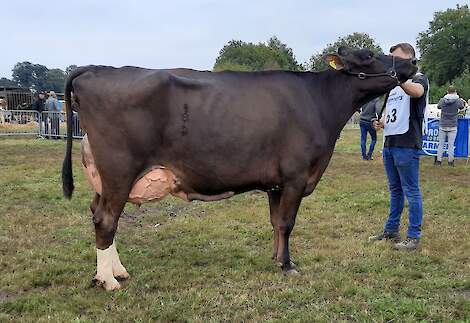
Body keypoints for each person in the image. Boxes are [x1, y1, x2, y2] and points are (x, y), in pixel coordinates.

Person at [369, 43, 428, 251]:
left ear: (410, 58)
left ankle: (413, 236)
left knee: (411, 191)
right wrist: (380, 123)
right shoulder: (394, 87)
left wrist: (398, 79)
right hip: (390, 143)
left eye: (398, 59)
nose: (393, 62)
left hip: (407, 144)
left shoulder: (418, 79)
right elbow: (391, 112)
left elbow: (417, 92)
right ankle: (391, 230)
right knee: (395, 190)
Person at [435, 86, 466, 166]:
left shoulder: (442, 100)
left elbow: (438, 106)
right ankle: (450, 162)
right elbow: (462, 106)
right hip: (452, 124)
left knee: (440, 144)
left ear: (447, 91)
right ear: (455, 91)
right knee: (451, 145)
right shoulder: (458, 100)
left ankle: (438, 161)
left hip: (443, 124)